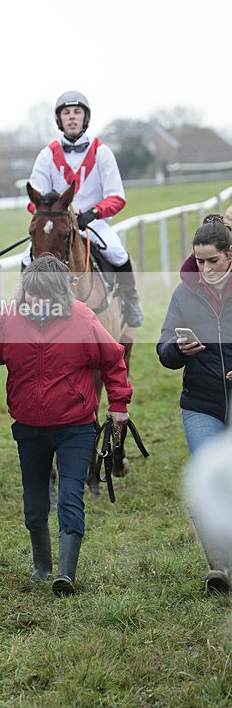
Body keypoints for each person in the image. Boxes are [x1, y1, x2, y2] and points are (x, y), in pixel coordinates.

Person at [0, 256, 132, 594]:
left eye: (44, 296)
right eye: (31, 294)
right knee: (34, 501)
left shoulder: (82, 319)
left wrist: (118, 405)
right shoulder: (10, 319)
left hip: (75, 426)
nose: (36, 302)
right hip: (29, 427)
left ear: (59, 294)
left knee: (71, 494)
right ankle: (42, 566)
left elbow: (113, 359)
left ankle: (65, 573)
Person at [23, 90, 143, 328]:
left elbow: (117, 197)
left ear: (86, 118)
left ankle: (131, 301)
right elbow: (33, 200)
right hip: (58, 224)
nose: (72, 117)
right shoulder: (47, 155)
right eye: (66, 113)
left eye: (77, 112)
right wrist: (51, 214)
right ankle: (24, 306)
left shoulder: (102, 152)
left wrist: (94, 213)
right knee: (29, 257)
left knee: (117, 253)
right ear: (59, 120)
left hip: (94, 224)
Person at [157, 216, 232, 593]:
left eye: (212, 262)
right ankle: (218, 565)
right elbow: (163, 350)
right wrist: (177, 349)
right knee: (208, 477)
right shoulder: (184, 294)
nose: (204, 270)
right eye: (199, 262)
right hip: (200, 404)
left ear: (230, 255)